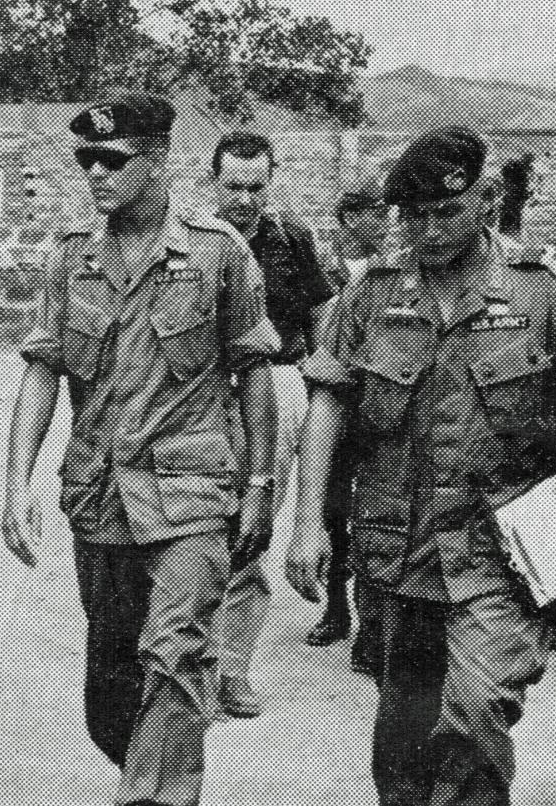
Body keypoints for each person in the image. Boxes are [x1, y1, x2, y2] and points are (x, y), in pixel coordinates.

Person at [286, 126, 556, 806]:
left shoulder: (536, 293)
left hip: (501, 554)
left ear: (487, 200)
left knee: (473, 712)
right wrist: (307, 525)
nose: (429, 231)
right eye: (414, 216)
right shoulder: (372, 296)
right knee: (402, 746)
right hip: (397, 551)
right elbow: (326, 406)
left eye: (446, 212)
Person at [2, 91, 279, 806]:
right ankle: (150, 770)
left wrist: (260, 484)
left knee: (177, 649)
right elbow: (42, 368)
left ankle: (156, 797)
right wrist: (15, 481)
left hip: (191, 497)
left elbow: (253, 372)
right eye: (86, 159)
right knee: (112, 692)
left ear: (156, 163)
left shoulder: (217, 252)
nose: (95, 172)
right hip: (100, 497)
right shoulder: (70, 258)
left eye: (112, 159)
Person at [209, 131, 335, 716]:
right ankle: (186, 659)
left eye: (256, 186)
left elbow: (322, 314)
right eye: (233, 186)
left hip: (277, 386)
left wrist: (320, 386)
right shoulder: (195, 244)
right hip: (204, 396)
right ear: (213, 182)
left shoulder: (294, 239)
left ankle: (234, 669)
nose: (244, 199)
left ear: (273, 179)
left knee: (251, 530)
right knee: (198, 523)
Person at [302, 179, 389, 678]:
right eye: (371, 215)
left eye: (384, 215)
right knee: (334, 513)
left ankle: (373, 623)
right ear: (349, 221)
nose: (381, 224)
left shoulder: (397, 276)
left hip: (377, 411)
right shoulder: (328, 272)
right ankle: (336, 608)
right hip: (337, 406)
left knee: (377, 516)